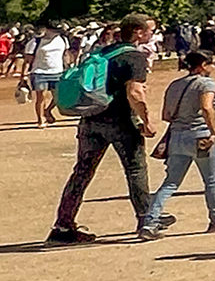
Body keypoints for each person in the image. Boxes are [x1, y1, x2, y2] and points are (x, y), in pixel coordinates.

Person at [50, 13, 161, 243]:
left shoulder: (102, 52)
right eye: (150, 30)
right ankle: (146, 220)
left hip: (91, 118)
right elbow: (134, 92)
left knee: (81, 172)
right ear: (138, 32)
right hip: (120, 119)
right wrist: (147, 120)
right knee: (135, 169)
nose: (152, 34)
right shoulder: (134, 57)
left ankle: (63, 225)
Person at [142, 50, 215, 236]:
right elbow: (206, 107)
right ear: (203, 65)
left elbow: (166, 115)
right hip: (200, 136)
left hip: (177, 136)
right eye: (212, 63)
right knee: (212, 180)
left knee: (171, 182)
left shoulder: (175, 84)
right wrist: (213, 131)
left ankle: (150, 222)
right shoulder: (206, 83)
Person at [27, 24, 68, 125]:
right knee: (41, 97)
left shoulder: (63, 40)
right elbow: (28, 59)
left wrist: (69, 67)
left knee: (59, 97)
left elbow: (65, 55)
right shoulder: (35, 42)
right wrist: (23, 76)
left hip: (57, 71)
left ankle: (47, 110)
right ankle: (40, 119)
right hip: (39, 71)